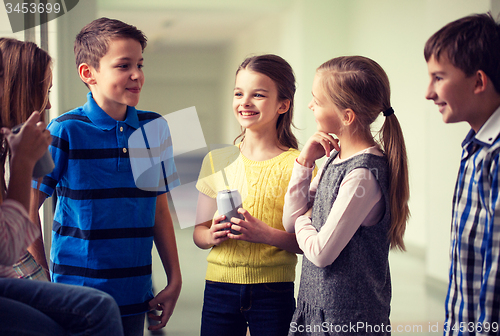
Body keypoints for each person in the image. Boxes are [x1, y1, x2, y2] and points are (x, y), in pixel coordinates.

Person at [29, 18, 182, 336]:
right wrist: (42, 281)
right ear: (89, 73)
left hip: (136, 292)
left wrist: (175, 279)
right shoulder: (65, 129)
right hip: (77, 294)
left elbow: (160, 209)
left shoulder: (155, 128)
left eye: (139, 64)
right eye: (123, 65)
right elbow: (28, 210)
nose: (137, 75)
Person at [0, 38, 124, 336]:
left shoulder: (151, 126)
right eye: (44, 91)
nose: (48, 103)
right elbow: (8, 246)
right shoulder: (66, 128)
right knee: (96, 310)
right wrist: (22, 166)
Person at [283, 56, 410, 335]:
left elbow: (320, 252)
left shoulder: (362, 175)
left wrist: (306, 217)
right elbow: (289, 221)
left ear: (347, 116)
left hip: (346, 319)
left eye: (317, 100)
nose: (310, 105)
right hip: (317, 308)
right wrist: (304, 162)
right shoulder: (335, 159)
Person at [193, 54, 303, 336]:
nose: (245, 102)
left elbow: (309, 244)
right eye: (239, 93)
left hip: (274, 291)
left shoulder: (300, 165)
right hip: (218, 288)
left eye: (258, 95)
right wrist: (211, 235)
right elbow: (198, 233)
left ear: (283, 104)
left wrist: (265, 234)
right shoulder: (215, 159)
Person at [424, 13, 500, 335]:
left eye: (438, 78)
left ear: (479, 82)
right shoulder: (475, 147)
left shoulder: (495, 156)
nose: (428, 93)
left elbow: (496, 273)